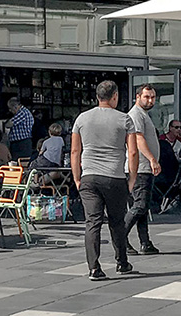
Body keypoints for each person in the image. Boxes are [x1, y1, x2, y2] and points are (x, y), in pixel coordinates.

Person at [71, 80, 138, 281]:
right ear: (115, 96)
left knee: (93, 222)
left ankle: (94, 268)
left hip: (89, 176)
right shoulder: (125, 119)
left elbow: (75, 150)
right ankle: (122, 262)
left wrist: (76, 177)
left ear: (97, 97)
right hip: (114, 177)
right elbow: (133, 152)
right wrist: (132, 179)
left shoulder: (82, 119)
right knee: (117, 222)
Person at [125, 84, 162, 256]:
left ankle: (145, 242)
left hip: (144, 168)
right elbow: (138, 139)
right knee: (139, 205)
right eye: (147, 97)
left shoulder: (144, 115)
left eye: (153, 97)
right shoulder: (136, 114)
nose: (150, 100)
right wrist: (152, 159)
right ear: (138, 97)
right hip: (140, 168)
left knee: (142, 206)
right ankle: (120, 236)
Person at [6, 97, 34, 162]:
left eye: (10, 109)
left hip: (22, 144)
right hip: (19, 143)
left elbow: (9, 124)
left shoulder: (22, 112)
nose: (10, 111)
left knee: (20, 162)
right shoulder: (23, 112)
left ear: (15, 107)